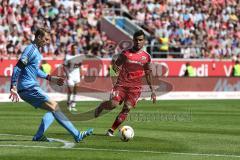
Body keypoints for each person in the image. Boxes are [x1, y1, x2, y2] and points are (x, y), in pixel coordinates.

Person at [9, 28, 93, 142]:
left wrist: (50, 78)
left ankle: (39, 136)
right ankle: (77, 134)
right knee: (55, 107)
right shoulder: (30, 49)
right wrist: (12, 85)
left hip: (28, 88)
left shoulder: (37, 51)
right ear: (38, 37)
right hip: (28, 87)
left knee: (53, 109)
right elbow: (18, 67)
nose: (47, 42)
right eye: (46, 39)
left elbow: (35, 70)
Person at [95, 30, 156, 136]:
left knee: (127, 108)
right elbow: (115, 66)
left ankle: (111, 130)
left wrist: (153, 90)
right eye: (136, 40)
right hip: (122, 84)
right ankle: (101, 106)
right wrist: (114, 79)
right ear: (133, 40)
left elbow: (148, 73)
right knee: (113, 104)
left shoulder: (146, 57)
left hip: (135, 88)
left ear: (144, 41)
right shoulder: (125, 53)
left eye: (140, 40)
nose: (138, 42)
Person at [63, 43, 82, 111]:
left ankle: (73, 104)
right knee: (70, 90)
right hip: (70, 75)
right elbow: (64, 66)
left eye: (76, 48)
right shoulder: (68, 56)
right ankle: (68, 103)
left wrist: (81, 74)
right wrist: (67, 74)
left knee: (75, 91)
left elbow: (80, 66)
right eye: (74, 48)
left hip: (77, 76)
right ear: (71, 49)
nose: (75, 50)